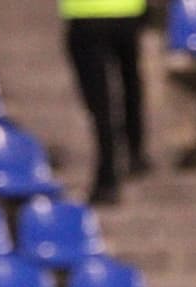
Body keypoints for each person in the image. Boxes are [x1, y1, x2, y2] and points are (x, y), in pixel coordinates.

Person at [59, 0, 150, 205]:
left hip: (86, 16)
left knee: (100, 102)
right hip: (128, 12)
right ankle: (136, 151)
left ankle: (107, 176)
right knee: (131, 81)